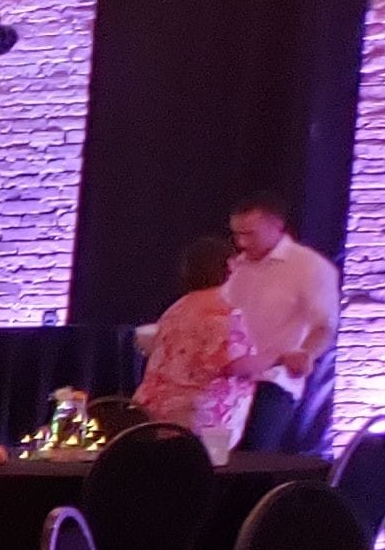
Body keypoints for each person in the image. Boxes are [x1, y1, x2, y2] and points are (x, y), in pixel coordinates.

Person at [220, 191, 338, 453]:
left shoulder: (309, 266)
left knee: (253, 460)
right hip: (225, 383)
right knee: (216, 461)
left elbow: (324, 325)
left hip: (272, 381)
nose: (241, 242)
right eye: (237, 234)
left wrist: (305, 354)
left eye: (249, 234)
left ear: (276, 226)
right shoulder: (234, 267)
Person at [137, 236, 262, 460]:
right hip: (203, 420)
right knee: (205, 478)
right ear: (229, 266)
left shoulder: (177, 308)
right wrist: (278, 358)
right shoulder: (225, 310)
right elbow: (233, 364)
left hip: (157, 414)